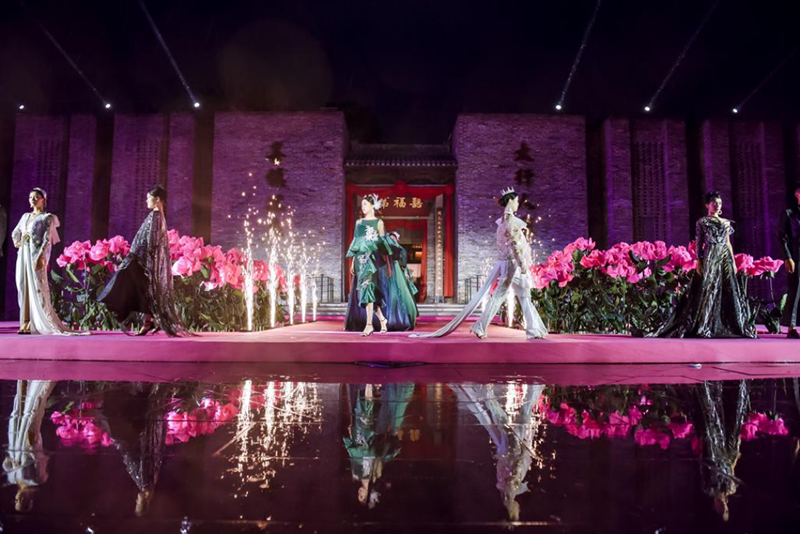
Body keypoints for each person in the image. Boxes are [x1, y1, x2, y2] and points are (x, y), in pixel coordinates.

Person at [413, 187, 547, 340]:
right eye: (516, 201)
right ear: (510, 201)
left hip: (511, 263)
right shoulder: (510, 221)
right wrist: (522, 263)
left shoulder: (504, 221)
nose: (517, 204)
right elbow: (515, 244)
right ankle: (483, 326)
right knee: (502, 297)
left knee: (523, 296)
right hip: (512, 264)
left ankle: (533, 329)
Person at [651, 191, 756, 338]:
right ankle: (704, 324)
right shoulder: (702, 222)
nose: (717, 205)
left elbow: (728, 243)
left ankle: (729, 324)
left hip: (724, 257)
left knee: (728, 288)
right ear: (707, 205)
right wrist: (699, 261)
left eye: (719, 203)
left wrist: (732, 261)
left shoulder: (726, 222)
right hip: (710, 256)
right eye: (714, 203)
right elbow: (699, 243)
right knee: (708, 288)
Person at [98, 185, 189, 336]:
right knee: (145, 290)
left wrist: (147, 262)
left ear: (157, 199)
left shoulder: (156, 216)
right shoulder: (159, 216)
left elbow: (152, 242)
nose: (146, 201)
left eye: (149, 198)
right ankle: (149, 320)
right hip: (142, 259)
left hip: (142, 260)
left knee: (127, 283)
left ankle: (147, 320)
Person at [11, 188, 79, 335]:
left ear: (44, 200)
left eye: (36, 197)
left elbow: (47, 239)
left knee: (36, 285)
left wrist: (40, 256)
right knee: (22, 285)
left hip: (35, 255)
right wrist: (18, 242)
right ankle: (25, 322)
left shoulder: (47, 218)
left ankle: (36, 321)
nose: (33, 199)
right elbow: (16, 232)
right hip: (23, 253)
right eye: (31, 197)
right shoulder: (25, 216)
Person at [3, 380, 56, 513]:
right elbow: (40, 461)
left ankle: (23, 382)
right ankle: (40, 383)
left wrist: (11, 461)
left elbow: (6, 464)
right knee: (31, 414)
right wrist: (32, 446)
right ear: (28, 500)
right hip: (27, 446)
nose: (19, 498)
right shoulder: (37, 480)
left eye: (17, 501)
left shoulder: (12, 479)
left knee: (17, 415)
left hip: (15, 444)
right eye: (21, 502)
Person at [344, 194, 392, 336]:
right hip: (360, 260)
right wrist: (353, 262)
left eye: (365, 204)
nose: (363, 207)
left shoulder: (379, 223)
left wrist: (388, 265)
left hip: (372, 260)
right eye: (362, 205)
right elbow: (356, 242)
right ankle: (382, 319)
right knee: (368, 292)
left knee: (367, 289)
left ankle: (369, 325)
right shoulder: (359, 223)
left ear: (372, 205)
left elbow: (383, 244)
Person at [780, 184, 800, 339]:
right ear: (797, 194)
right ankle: (791, 327)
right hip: (796, 255)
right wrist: (788, 257)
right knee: (795, 289)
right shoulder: (789, 214)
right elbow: (782, 237)